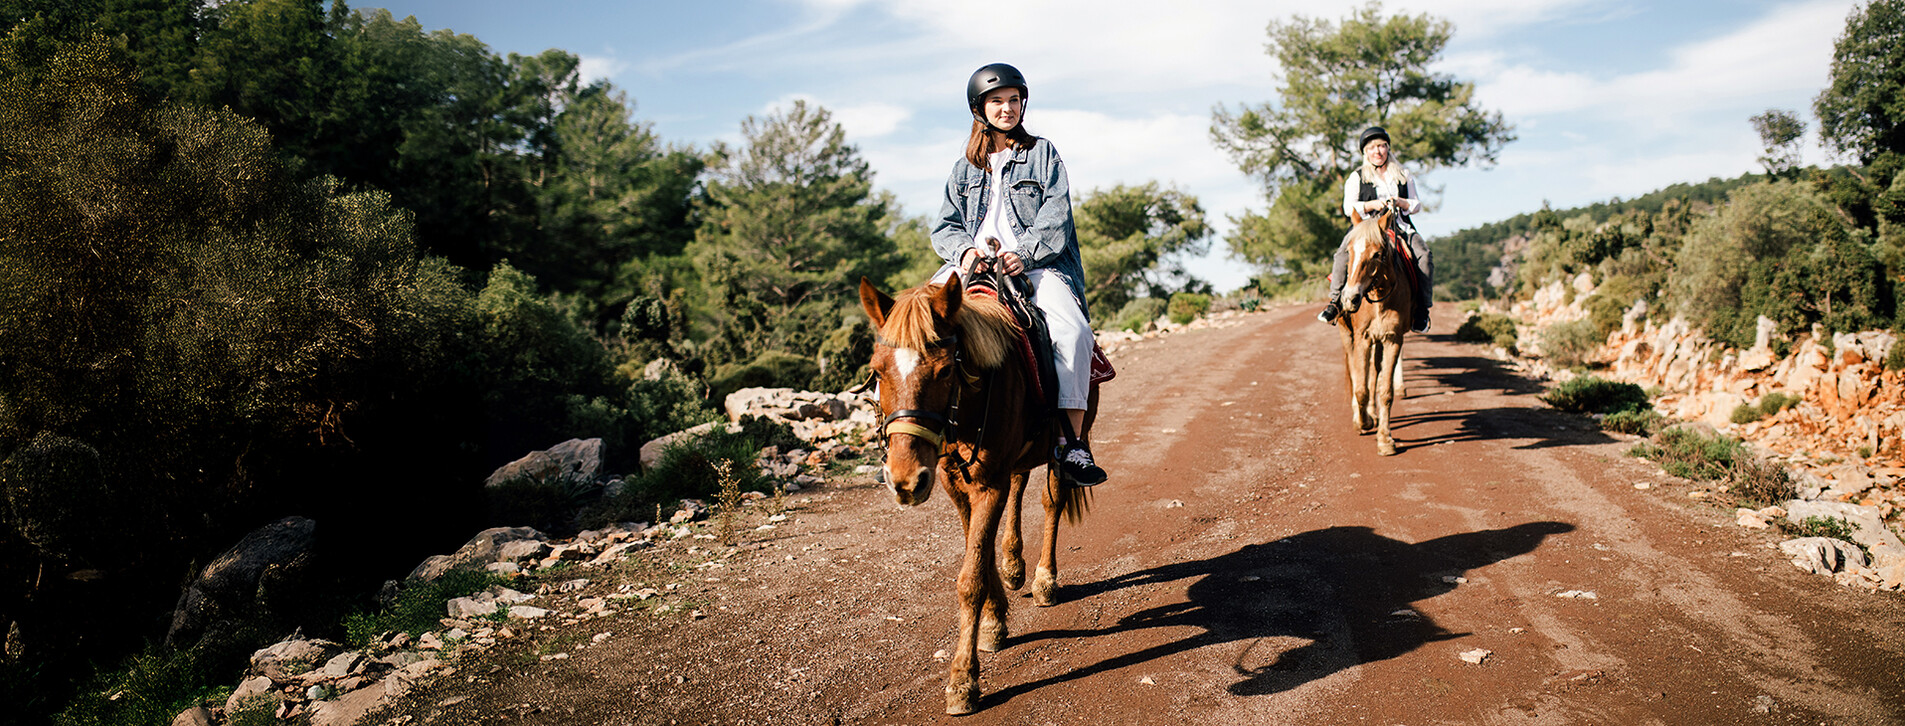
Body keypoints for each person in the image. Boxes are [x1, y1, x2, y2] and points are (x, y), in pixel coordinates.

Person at [927, 62, 1107, 486]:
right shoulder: (964, 168)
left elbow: (1057, 217)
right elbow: (945, 226)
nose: (1007, 108)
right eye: (997, 101)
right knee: (910, 325)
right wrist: (965, 252)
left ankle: (1071, 443)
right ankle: (904, 434)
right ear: (980, 109)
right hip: (971, 265)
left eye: (1013, 100)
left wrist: (1022, 255)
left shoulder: (1043, 154)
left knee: (1074, 333)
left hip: (1036, 265)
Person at [1318, 126, 1434, 333]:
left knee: (1424, 255)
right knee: (1341, 255)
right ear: (1366, 152)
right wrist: (1372, 204)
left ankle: (1422, 310)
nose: (1377, 151)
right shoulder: (1357, 177)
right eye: (1372, 148)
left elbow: (1416, 204)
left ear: (1388, 148)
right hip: (1366, 227)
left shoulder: (1403, 175)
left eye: (1381, 146)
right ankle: (1335, 302)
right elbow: (1348, 207)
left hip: (1399, 225)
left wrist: (1400, 202)